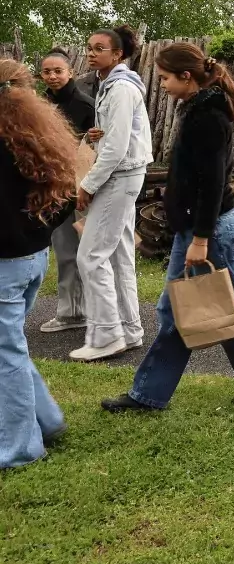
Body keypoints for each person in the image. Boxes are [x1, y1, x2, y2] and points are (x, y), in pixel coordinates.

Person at [102, 43, 234, 412]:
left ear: (187, 77)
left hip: (211, 229)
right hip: (202, 229)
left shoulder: (207, 117)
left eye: (166, 78)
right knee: (199, 308)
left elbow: (213, 183)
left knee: (211, 306)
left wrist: (201, 238)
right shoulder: (199, 110)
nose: (164, 85)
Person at [0, 60, 76, 468]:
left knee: (5, 355)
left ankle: (19, 450)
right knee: (9, 346)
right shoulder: (36, 136)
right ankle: (46, 420)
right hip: (32, 259)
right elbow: (66, 197)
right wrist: (40, 234)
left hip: (7, 264)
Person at [72, 25, 153, 362]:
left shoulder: (120, 88)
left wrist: (87, 185)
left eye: (100, 48)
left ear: (117, 54)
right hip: (126, 174)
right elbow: (116, 136)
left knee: (90, 257)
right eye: (90, 48)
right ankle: (129, 328)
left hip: (119, 176)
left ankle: (107, 336)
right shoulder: (111, 85)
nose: (92, 53)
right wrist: (97, 136)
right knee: (119, 253)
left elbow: (117, 148)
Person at [38, 48, 95, 335]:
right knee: (64, 250)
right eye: (47, 71)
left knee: (91, 251)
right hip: (54, 188)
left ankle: (93, 312)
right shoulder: (39, 106)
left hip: (84, 187)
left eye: (58, 70)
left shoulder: (87, 105)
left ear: (71, 71)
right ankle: (71, 311)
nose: (52, 76)